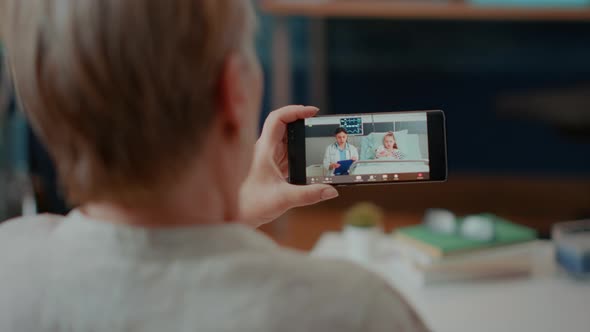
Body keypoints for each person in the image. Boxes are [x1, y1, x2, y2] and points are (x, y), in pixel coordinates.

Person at [0, 1, 429, 331]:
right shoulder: (355, 311)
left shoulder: (11, 264)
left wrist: (233, 213)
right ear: (234, 91)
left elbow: (141, 265)